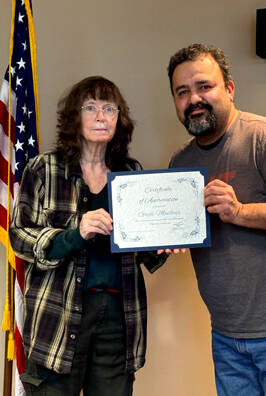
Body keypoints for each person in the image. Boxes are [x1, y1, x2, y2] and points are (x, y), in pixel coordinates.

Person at [9, 76, 170, 396]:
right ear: (74, 116)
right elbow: (20, 236)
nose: (101, 116)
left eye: (110, 108)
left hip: (118, 318)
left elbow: (144, 249)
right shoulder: (45, 168)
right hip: (58, 316)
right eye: (91, 107)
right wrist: (74, 233)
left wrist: (164, 244)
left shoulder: (131, 172)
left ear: (119, 119)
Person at [167, 43, 266, 395]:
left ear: (229, 88)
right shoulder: (180, 165)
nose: (194, 98)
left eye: (204, 86)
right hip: (226, 334)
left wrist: (239, 212)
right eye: (183, 92)